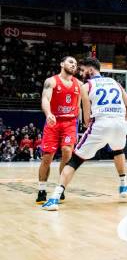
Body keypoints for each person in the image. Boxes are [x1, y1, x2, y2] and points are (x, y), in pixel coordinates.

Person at [42, 58, 127, 211]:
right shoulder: (116, 83)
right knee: (118, 150)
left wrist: (92, 124)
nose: (81, 73)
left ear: (91, 70)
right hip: (120, 125)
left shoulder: (86, 86)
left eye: (83, 70)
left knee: (74, 161)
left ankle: (54, 198)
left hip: (100, 124)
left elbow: (87, 120)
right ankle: (124, 186)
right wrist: (123, 122)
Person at [36, 56, 81, 204]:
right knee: (47, 158)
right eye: (70, 62)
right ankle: (42, 189)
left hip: (70, 122)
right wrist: (48, 114)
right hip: (54, 121)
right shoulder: (52, 81)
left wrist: (83, 122)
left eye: (75, 63)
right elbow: (45, 99)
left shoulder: (79, 84)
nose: (73, 65)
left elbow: (80, 105)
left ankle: (60, 188)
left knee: (67, 151)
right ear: (62, 64)